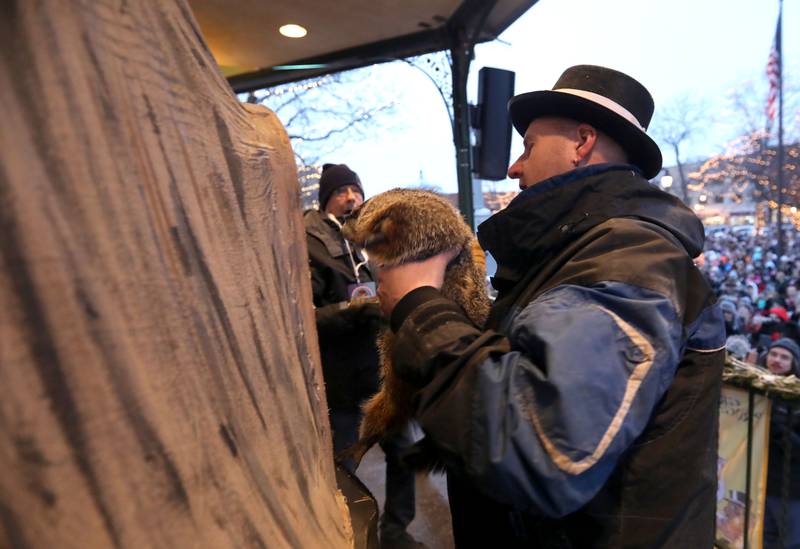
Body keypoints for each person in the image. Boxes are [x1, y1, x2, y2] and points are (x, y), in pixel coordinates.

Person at [375, 65, 726, 547]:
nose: (514, 168)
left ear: (582, 143)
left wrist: (421, 307)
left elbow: (540, 448)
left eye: (530, 146)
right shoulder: (585, 253)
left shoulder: (628, 261)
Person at [303, 163, 421, 549]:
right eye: (342, 191)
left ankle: (395, 532)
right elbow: (302, 316)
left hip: (384, 372)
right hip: (340, 378)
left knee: (402, 453)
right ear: (326, 200)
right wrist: (352, 312)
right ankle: (346, 537)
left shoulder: (375, 239)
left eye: (356, 189)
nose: (352, 197)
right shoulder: (309, 242)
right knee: (342, 467)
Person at [761, 338, 800, 549]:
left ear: (793, 363)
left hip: (790, 488)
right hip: (761, 483)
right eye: (773, 354)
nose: (777, 360)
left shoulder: (796, 396)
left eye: (784, 357)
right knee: (766, 538)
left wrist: (777, 427)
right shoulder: (756, 387)